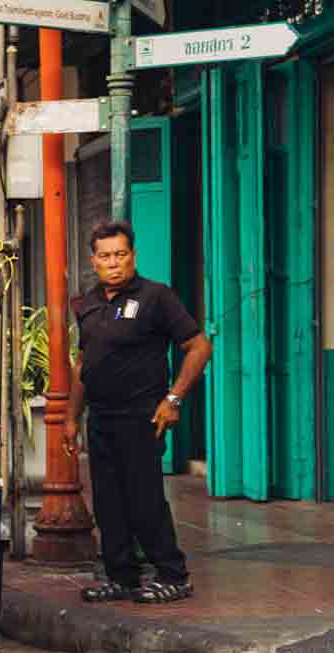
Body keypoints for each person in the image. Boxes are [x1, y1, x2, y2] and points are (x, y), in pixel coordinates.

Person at [64, 221, 213, 606]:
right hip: (101, 418)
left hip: (143, 416)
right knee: (109, 503)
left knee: (143, 500)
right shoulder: (89, 304)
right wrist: (70, 418)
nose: (114, 263)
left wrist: (173, 399)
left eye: (121, 254)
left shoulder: (156, 296)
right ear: (93, 261)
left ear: (132, 255)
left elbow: (199, 347)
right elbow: (84, 364)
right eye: (106, 256)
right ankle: (121, 576)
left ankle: (173, 575)